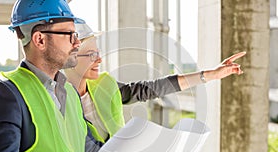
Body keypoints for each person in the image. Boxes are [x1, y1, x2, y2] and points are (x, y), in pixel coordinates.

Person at [0, 0, 105, 152]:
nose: (77, 43)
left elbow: (89, 149)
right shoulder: (6, 94)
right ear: (40, 40)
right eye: (69, 35)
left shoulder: (69, 92)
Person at [64, 28, 246, 145]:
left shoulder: (104, 85)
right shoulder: (57, 98)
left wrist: (209, 75)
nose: (99, 59)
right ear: (70, 59)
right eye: (91, 54)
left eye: (98, 52)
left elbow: (153, 88)